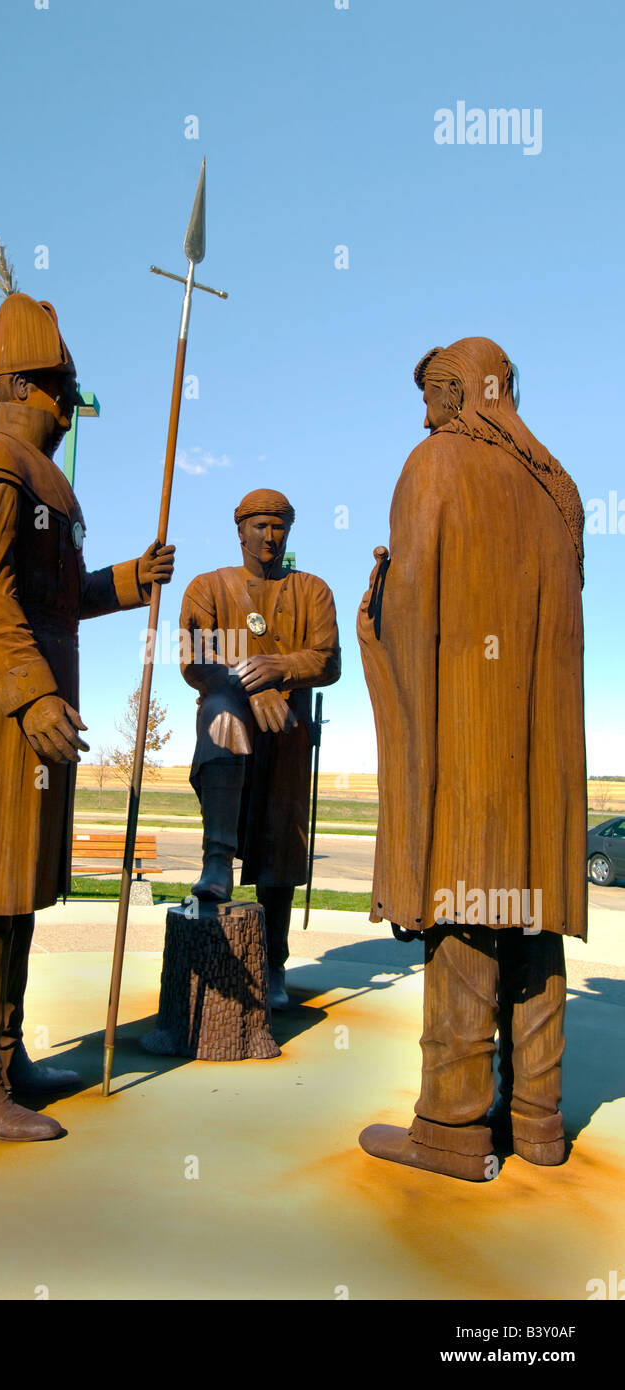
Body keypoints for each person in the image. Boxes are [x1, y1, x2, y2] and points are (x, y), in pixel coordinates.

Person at [0, 291, 174, 1141]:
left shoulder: (43, 482)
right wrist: (29, 694)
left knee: (17, 881)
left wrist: (132, 578)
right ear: (19, 384)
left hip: (33, 704)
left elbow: (58, 599)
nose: (70, 407)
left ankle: (2, 1054)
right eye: (61, 389)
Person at [357, 336, 586, 1181]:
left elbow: (413, 608)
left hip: (469, 739)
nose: (423, 414)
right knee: (529, 919)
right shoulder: (556, 491)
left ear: (458, 394)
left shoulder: (436, 465)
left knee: (465, 904)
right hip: (543, 755)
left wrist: (374, 615)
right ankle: (536, 1120)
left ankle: (450, 1128)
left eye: (429, 396)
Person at [178, 488, 340, 1008]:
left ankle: (274, 964)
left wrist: (285, 669)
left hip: (287, 737)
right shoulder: (207, 587)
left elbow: (328, 660)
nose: (270, 536)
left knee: (279, 850)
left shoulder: (312, 590)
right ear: (240, 529)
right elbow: (194, 661)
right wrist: (255, 685)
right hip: (230, 724)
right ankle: (217, 860)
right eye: (260, 526)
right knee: (221, 713)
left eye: (279, 527)